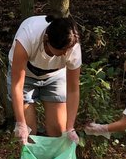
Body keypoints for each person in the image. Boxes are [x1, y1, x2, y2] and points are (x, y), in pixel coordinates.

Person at [7, 15, 82, 145]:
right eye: (61, 50)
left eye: (68, 50)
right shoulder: (27, 38)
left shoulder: (72, 47)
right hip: (26, 77)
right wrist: (21, 123)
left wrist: (70, 127)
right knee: (28, 135)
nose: (65, 54)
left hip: (55, 76)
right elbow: (17, 86)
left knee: (59, 132)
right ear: (46, 39)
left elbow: (73, 90)